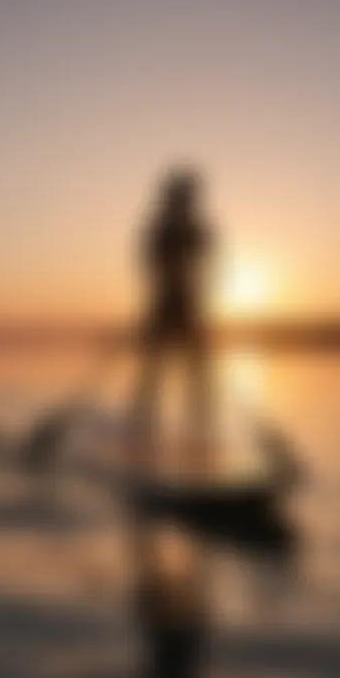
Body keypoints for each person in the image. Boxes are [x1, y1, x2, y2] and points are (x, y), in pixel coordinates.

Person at [131, 167, 215, 468]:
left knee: (200, 377)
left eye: (189, 197)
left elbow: (207, 264)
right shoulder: (160, 230)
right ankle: (140, 434)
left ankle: (203, 437)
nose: (188, 202)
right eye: (183, 196)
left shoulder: (197, 229)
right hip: (164, 308)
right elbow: (152, 267)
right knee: (152, 377)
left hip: (191, 309)